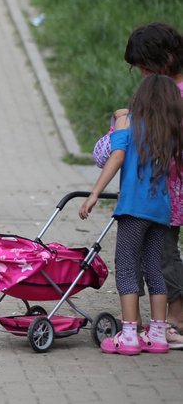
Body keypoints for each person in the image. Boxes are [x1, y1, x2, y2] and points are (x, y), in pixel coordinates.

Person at [93, 23, 183, 349]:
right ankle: (158, 331)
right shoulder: (167, 120)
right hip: (163, 206)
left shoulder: (135, 120)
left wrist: (120, 125)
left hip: (139, 205)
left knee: (135, 263)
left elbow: (108, 155)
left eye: (144, 68)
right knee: (158, 263)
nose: (141, 73)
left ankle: (139, 330)